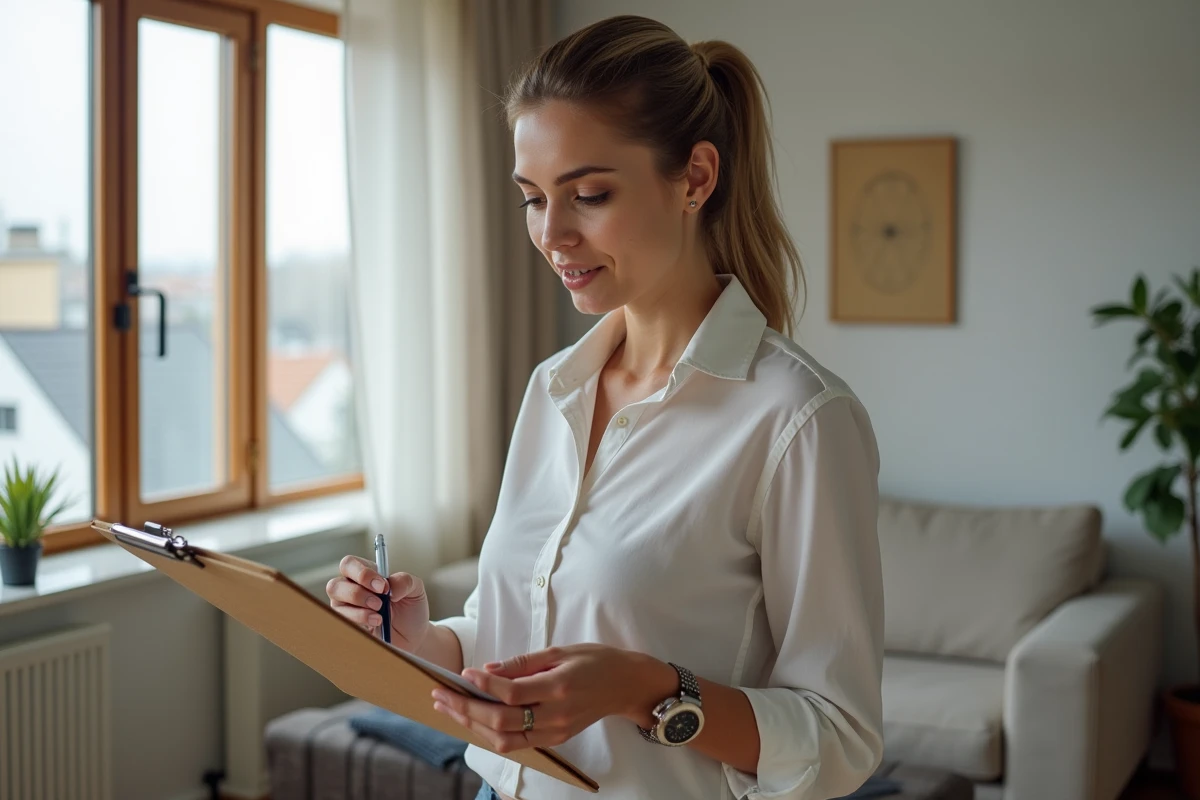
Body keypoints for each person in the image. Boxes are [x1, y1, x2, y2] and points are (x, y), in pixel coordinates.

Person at [327, 14, 884, 800]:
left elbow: (840, 738)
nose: (552, 234)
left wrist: (644, 690)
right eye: (532, 198)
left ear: (695, 178)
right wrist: (423, 639)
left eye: (588, 194)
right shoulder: (554, 386)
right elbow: (516, 628)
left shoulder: (797, 419)